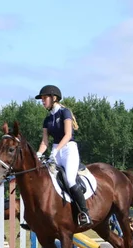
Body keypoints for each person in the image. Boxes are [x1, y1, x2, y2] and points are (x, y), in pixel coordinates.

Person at [35, 85, 91, 228]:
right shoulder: (47, 119)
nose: (42, 101)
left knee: (70, 180)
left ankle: (84, 213)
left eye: (44, 98)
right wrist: (39, 154)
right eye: (42, 99)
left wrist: (56, 150)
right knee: (46, 181)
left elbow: (68, 135)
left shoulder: (64, 112)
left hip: (68, 149)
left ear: (54, 98)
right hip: (55, 150)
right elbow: (45, 141)